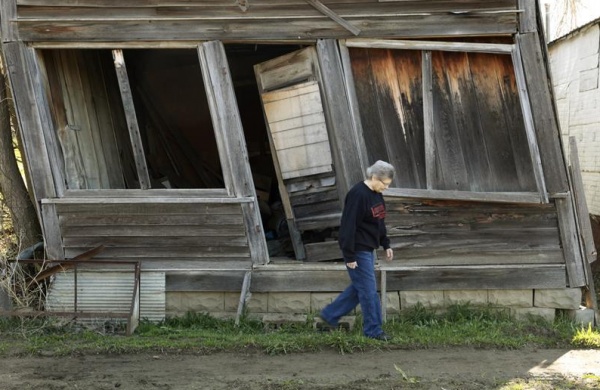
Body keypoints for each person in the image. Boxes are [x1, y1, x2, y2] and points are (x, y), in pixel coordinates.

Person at [320, 160, 395, 341]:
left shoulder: (377, 194)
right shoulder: (358, 194)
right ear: (374, 177)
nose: (386, 188)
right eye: (384, 184)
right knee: (368, 291)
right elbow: (348, 226)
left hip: (369, 249)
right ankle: (373, 331)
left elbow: (379, 221)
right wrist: (349, 255)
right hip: (358, 250)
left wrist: (386, 244)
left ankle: (329, 315)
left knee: (359, 287)